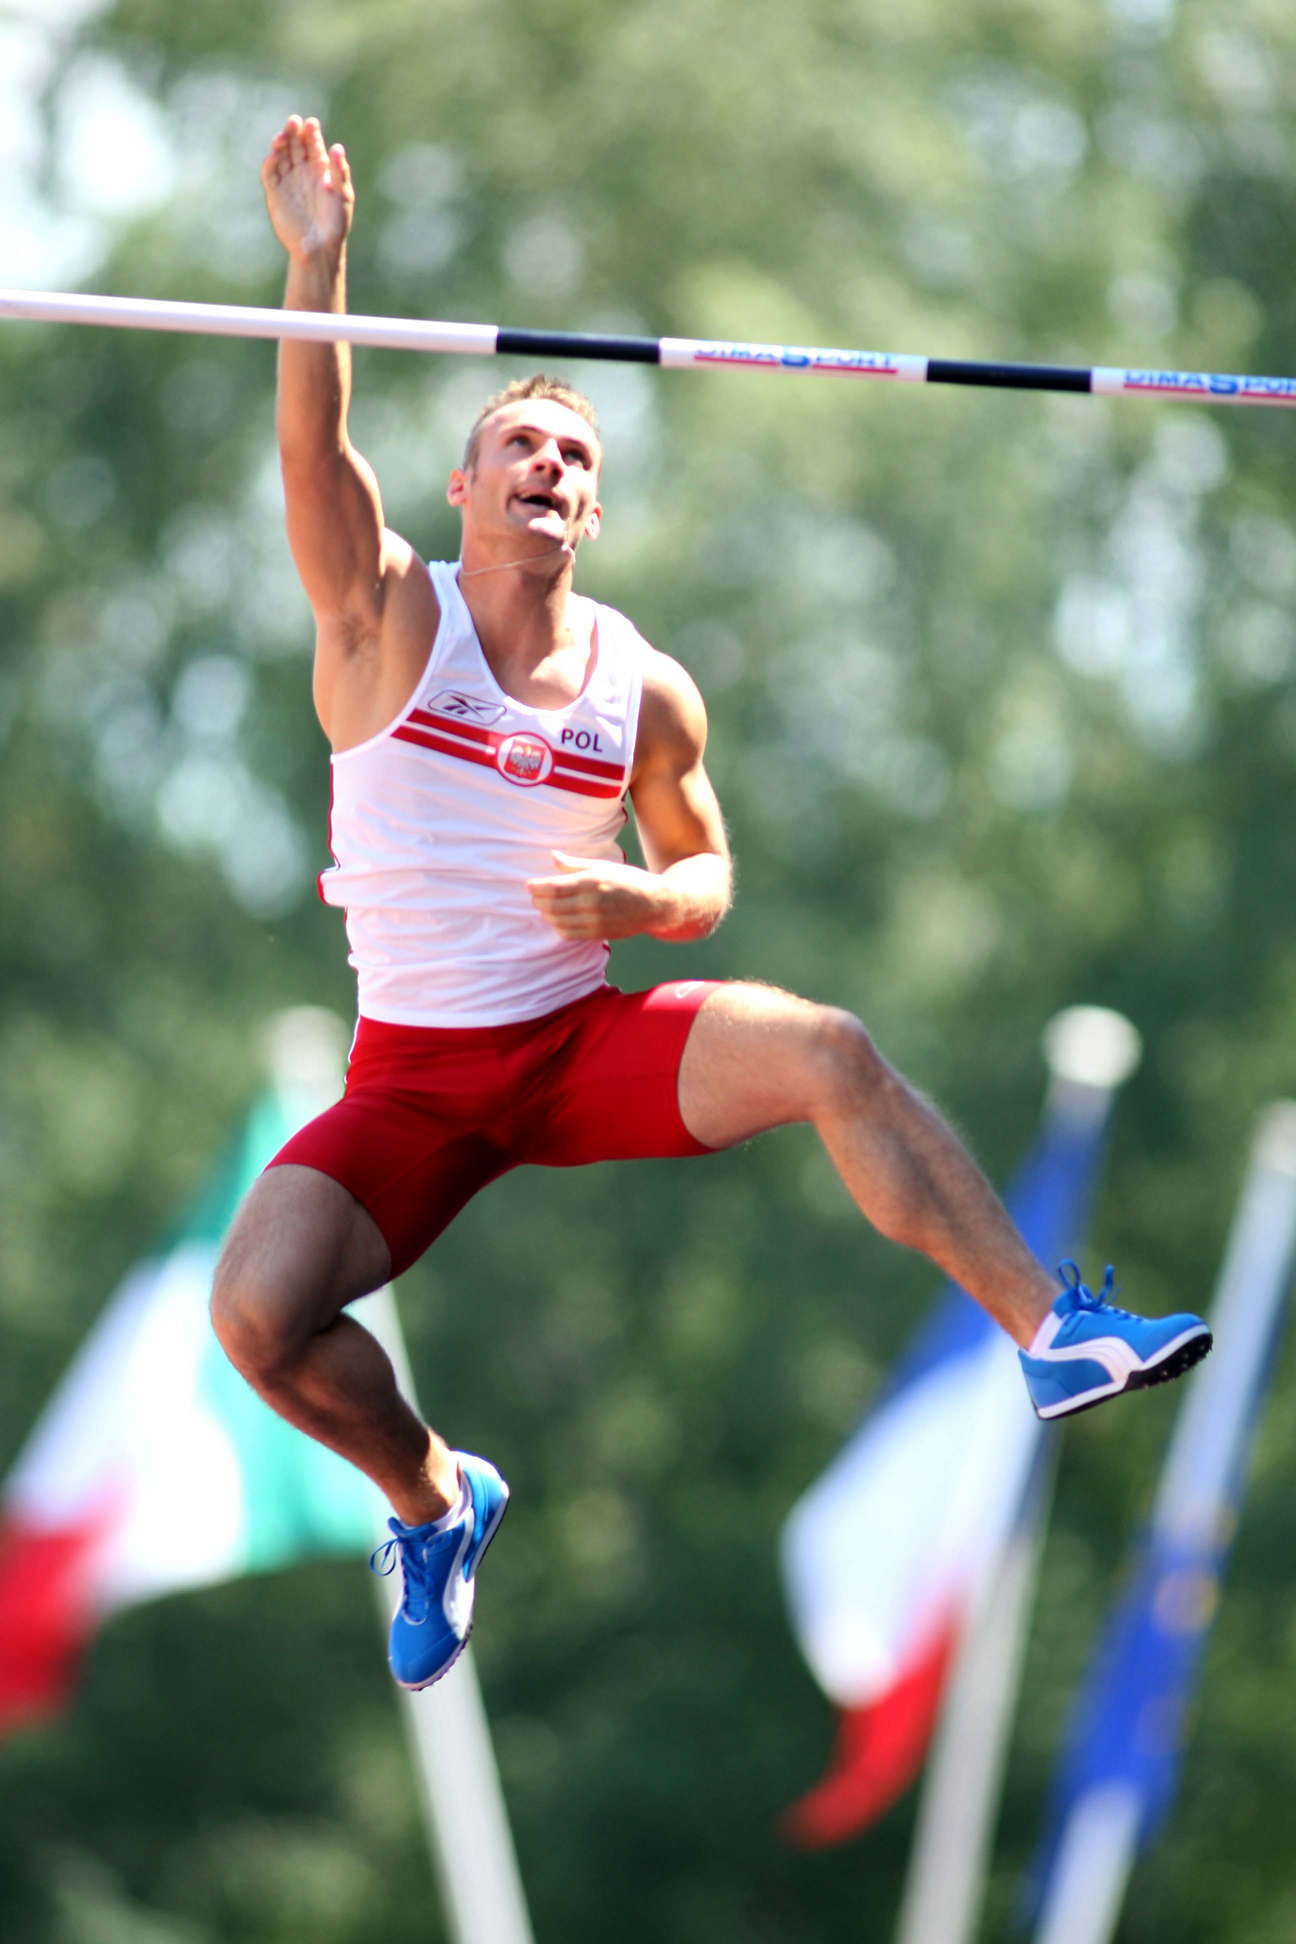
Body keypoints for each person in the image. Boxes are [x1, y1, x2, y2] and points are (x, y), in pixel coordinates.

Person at [210, 114, 1212, 1694]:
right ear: (465, 484)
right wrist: (316, 264)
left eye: (578, 459)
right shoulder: (385, 617)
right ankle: (437, 1500)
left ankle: (1051, 1331)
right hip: (412, 1081)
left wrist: (647, 897)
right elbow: (309, 453)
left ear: (595, 515)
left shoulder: (644, 686)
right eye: (523, 447)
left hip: (573, 1047)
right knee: (257, 1322)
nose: (551, 466)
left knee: (831, 1051)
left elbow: (708, 871)